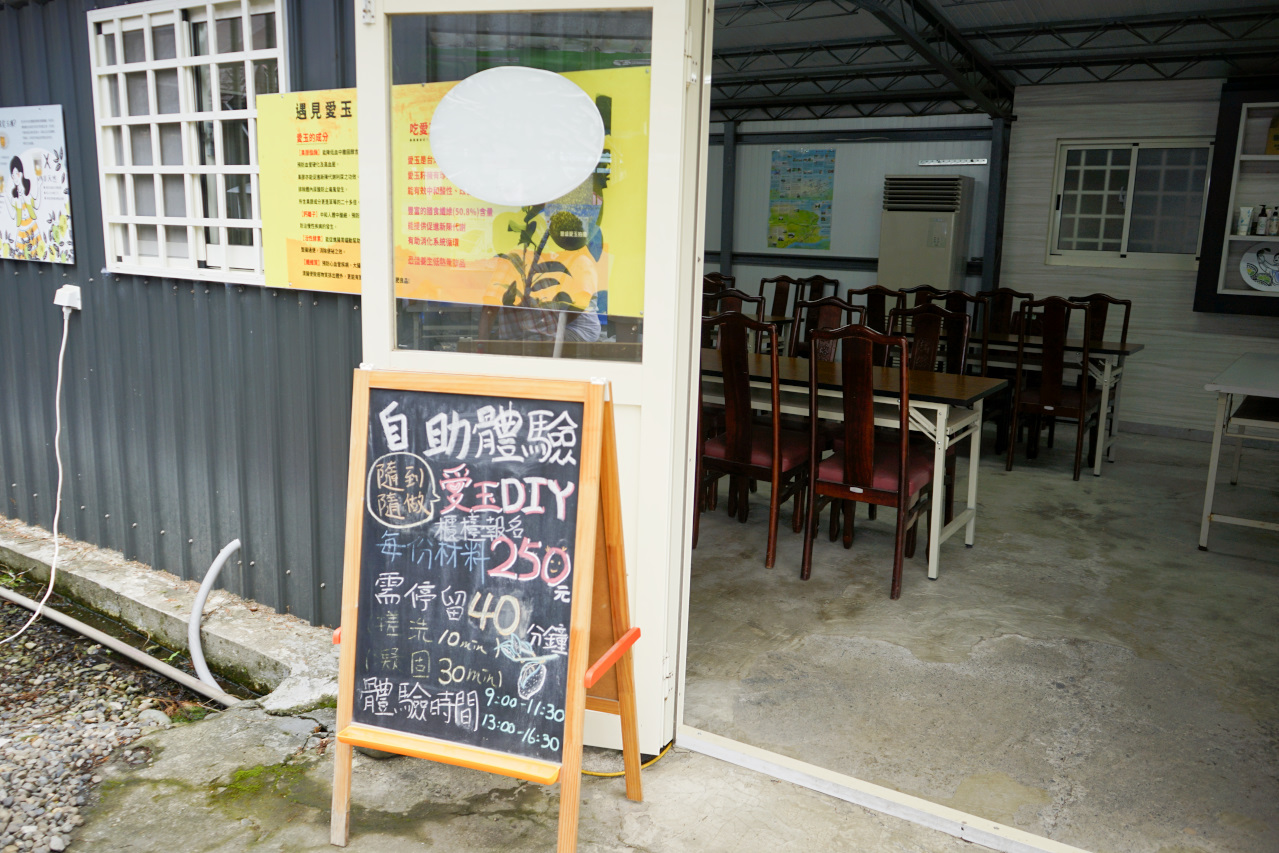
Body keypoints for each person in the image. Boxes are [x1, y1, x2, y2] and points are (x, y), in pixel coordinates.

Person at [6, 156, 45, 260]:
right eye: (12, 175)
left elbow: (36, 205)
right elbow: (13, 215)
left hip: (32, 227)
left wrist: (40, 187)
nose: (15, 177)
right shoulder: (14, 197)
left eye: (16, 174)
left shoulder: (27, 192)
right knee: (21, 256)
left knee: (37, 253)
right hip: (22, 230)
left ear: (21, 174)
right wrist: (5, 197)